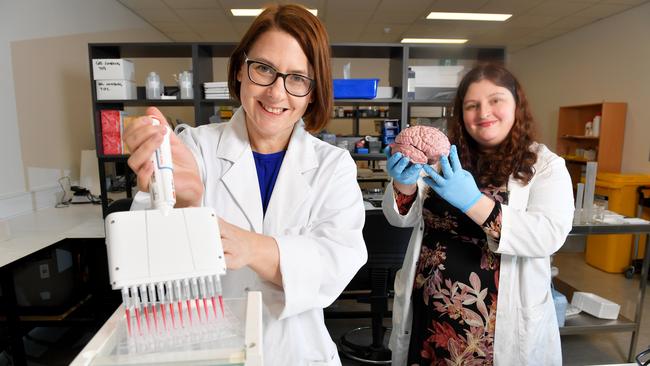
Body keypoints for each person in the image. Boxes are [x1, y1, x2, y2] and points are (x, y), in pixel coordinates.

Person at [124, 4, 367, 365]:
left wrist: (250, 248)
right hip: (208, 350)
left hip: (297, 352)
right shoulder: (193, 148)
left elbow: (334, 267)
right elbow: (139, 264)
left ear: (313, 92)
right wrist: (183, 206)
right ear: (240, 69)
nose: (277, 93)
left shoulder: (333, 167)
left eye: (298, 78)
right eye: (264, 69)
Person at [382, 63, 573, 365]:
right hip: (430, 319)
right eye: (472, 105)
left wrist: (473, 201)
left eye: (495, 100)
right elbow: (401, 218)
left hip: (493, 331)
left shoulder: (545, 165)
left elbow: (548, 236)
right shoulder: (443, 156)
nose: (484, 112)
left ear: (516, 105)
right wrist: (403, 183)